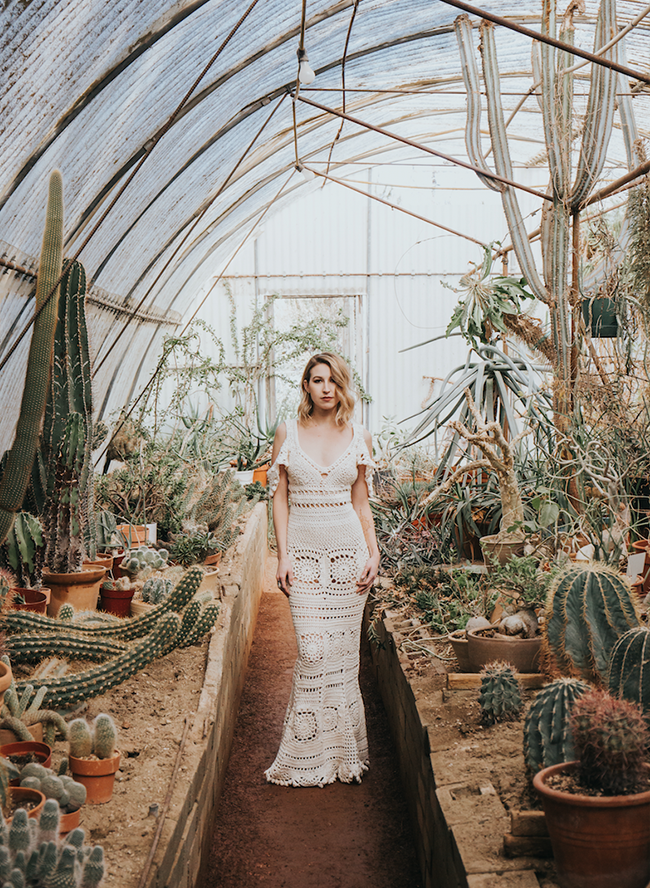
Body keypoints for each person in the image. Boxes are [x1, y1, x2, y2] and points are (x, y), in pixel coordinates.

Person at [264, 352, 380, 787]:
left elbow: (361, 501)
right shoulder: (287, 433)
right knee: (312, 652)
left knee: (342, 660)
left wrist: (374, 553)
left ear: (342, 385)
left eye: (333, 380)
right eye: (317, 380)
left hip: (350, 560)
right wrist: (283, 554)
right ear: (306, 386)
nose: (326, 388)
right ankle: (302, 756)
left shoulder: (358, 435)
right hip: (306, 560)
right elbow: (278, 496)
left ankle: (343, 756)